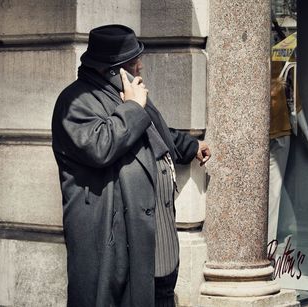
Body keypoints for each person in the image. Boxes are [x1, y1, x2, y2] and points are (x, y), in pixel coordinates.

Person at [51, 24, 211, 307]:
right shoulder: (75, 103)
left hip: (156, 255)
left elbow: (155, 131)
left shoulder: (127, 97)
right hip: (117, 253)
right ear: (112, 71)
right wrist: (134, 108)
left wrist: (191, 146)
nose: (139, 65)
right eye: (131, 62)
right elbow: (101, 146)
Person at [268, 58, 308, 245]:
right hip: (264, 137)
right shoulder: (277, 63)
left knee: (274, 193)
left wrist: (307, 136)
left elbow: (295, 102)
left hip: (280, 135)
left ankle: (268, 247)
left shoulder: (286, 64)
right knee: (269, 193)